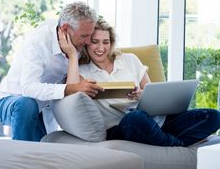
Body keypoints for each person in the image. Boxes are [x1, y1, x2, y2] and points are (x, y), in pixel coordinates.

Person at [61, 17, 220, 147]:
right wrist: (73, 55)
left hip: (155, 122)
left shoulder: (129, 59)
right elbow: (71, 94)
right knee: (135, 118)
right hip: (123, 126)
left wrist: (141, 96)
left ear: (112, 42)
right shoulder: (82, 70)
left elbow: (152, 92)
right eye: (95, 42)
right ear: (87, 42)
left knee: (213, 116)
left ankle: (164, 139)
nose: (101, 48)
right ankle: (176, 145)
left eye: (106, 42)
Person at [0, 2, 103, 141]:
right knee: (26, 104)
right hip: (10, 100)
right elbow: (28, 88)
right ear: (65, 28)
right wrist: (70, 88)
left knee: (41, 152)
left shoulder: (77, 43)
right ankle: (18, 157)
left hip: (40, 109)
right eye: (84, 36)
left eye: (90, 35)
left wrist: (74, 57)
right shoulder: (38, 42)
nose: (88, 41)